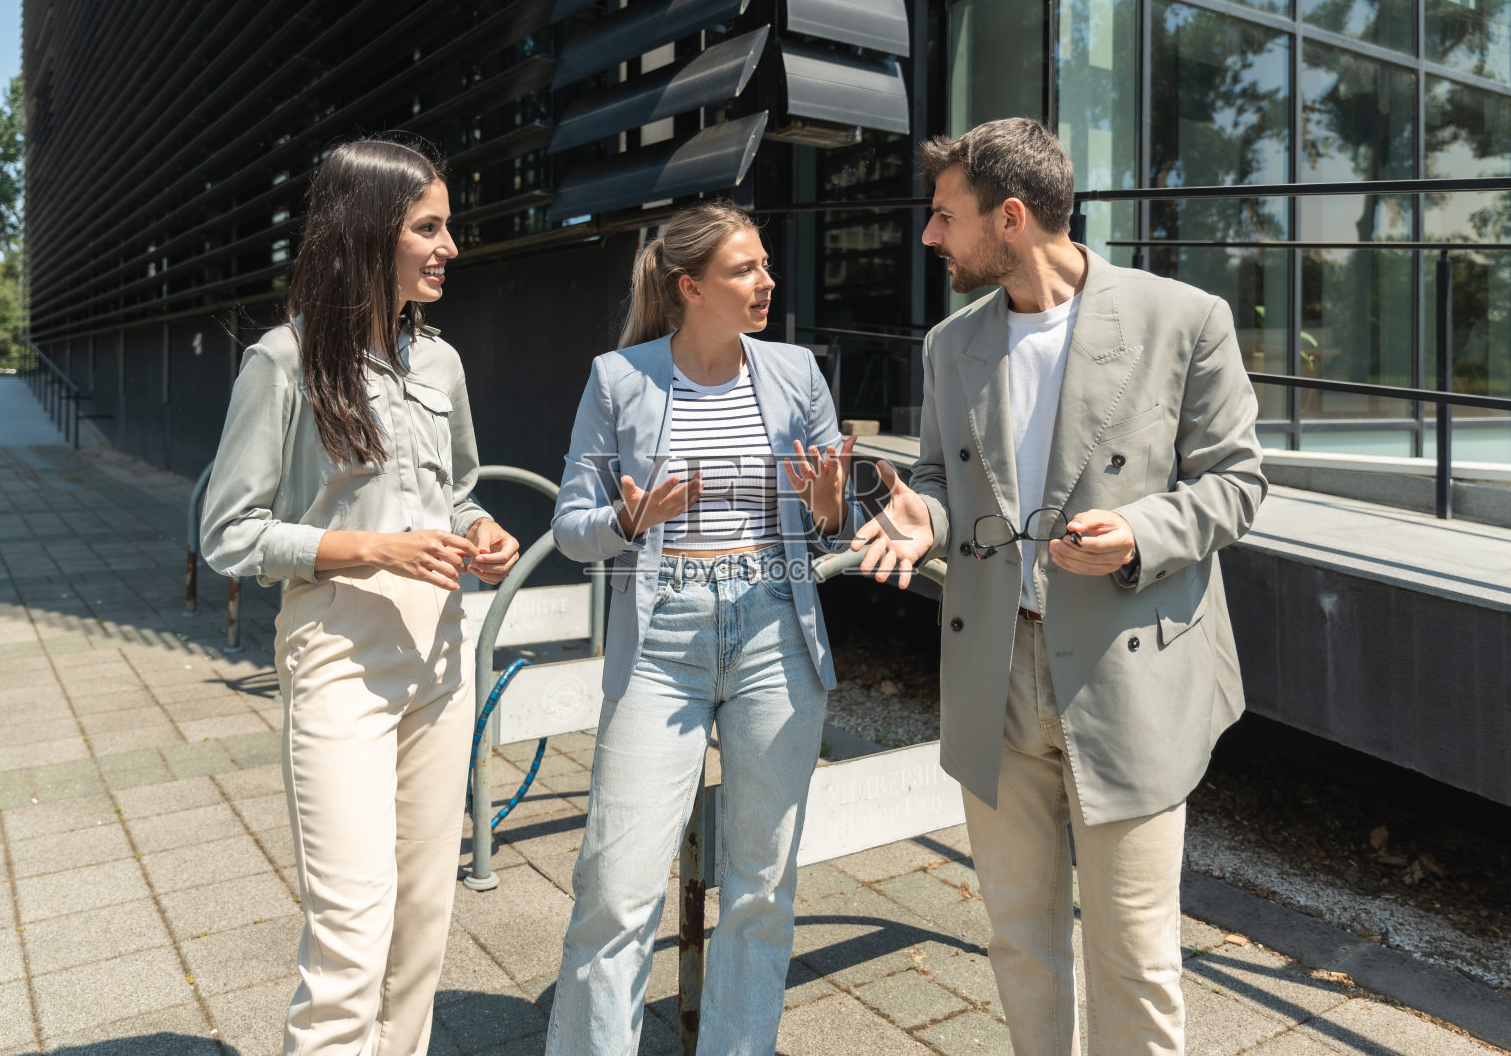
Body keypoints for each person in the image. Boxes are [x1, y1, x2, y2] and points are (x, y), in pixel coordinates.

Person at [851, 118, 1267, 1054]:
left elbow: (1238, 483)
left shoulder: (1183, 319)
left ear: (1009, 217)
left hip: (1129, 675)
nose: (929, 236)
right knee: (1020, 941)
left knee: (1134, 954)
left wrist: (1139, 531)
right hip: (994, 672)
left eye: (943, 216)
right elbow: (939, 482)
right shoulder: (951, 343)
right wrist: (926, 517)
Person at [201, 137, 520, 1056]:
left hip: (442, 658)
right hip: (339, 657)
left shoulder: (444, 365)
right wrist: (368, 547)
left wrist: (481, 531)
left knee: (423, 918)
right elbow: (228, 531)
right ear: (367, 231)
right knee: (351, 928)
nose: (449, 245)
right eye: (428, 226)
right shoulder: (282, 361)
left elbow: (457, 492)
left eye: (447, 226)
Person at [545, 201, 863, 1055]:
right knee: (617, 886)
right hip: (662, 643)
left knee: (761, 885)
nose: (766, 282)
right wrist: (629, 518)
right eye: (744, 270)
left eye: (765, 266)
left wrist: (831, 510)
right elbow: (573, 526)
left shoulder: (797, 372)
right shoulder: (621, 379)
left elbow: (839, 512)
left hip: (774, 632)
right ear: (689, 287)